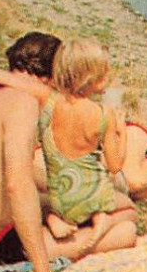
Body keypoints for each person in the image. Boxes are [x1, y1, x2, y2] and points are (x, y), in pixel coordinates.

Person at [0, 33, 127, 272]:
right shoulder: (22, 104)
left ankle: (57, 220)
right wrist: (42, 269)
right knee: (125, 230)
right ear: (52, 76)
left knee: (99, 203)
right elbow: (18, 186)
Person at [39, 38, 136, 246]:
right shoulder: (103, 114)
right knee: (129, 210)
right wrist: (122, 132)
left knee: (59, 195)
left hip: (59, 198)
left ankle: (53, 218)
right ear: (92, 78)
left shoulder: (49, 103)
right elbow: (115, 165)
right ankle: (103, 220)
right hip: (89, 197)